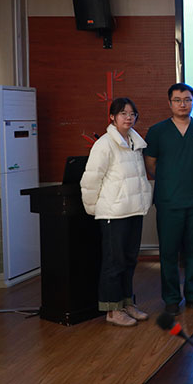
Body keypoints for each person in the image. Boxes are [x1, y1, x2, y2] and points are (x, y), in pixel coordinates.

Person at [80, 98, 152, 327]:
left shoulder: (134, 142)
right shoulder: (104, 144)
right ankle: (112, 310)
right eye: (123, 113)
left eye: (132, 114)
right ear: (112, 117)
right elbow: (90, 180)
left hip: (133, 210)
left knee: (129, 260)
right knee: (114, 262)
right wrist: (93, 209)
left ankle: (127, 303)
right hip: (114, 213)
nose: (128, 118)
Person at [144, 83, 193, 315]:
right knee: (168, 253)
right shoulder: (157, 131)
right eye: (177, 100)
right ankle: (171, 298)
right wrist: (171, 180)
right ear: (170, 103)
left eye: (187, 100)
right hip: (169, 202)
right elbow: (151, 165)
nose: (182, 104)